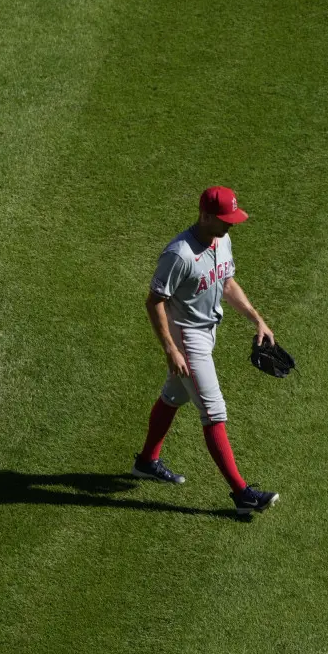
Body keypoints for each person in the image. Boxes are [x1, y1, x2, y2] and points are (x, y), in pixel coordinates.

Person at [132, 186, 279, 515]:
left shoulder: (222, 239)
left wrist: (257, 319)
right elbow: (154, 301)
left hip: (208, 332)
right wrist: (170, 348)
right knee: (214, 412)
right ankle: (242, 494)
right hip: (187, 338)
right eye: (225, 219)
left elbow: (226, 283)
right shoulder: (179, 254)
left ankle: (146, 461)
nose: (232, 225)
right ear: (205, 215)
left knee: (174, 396)